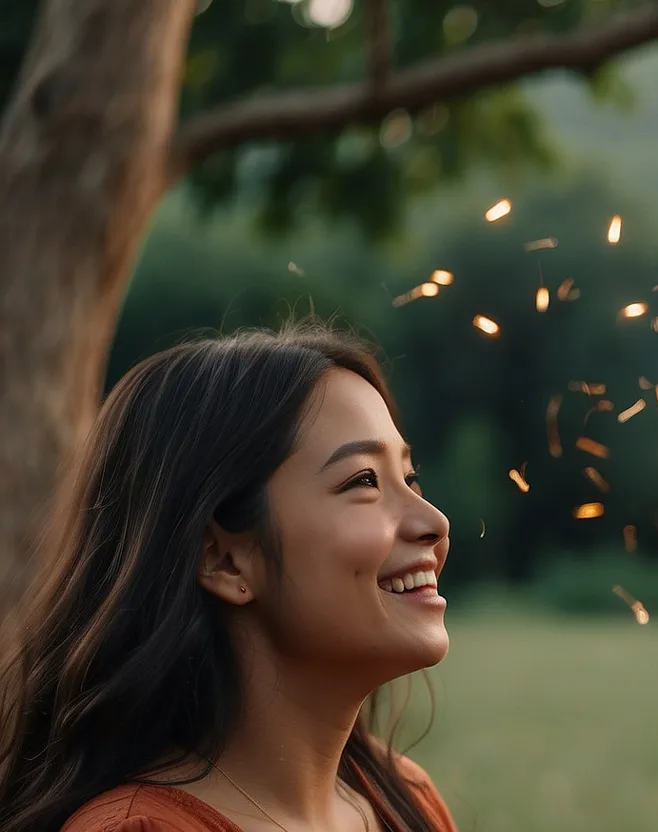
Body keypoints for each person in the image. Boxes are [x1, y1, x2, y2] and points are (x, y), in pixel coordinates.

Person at [0, 322, 458, 832]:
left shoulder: (405, 800)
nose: (433, 523)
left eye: (410, 478)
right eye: (363, 481)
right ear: (224, 560)